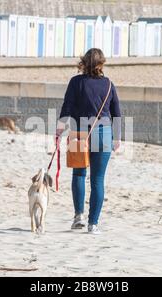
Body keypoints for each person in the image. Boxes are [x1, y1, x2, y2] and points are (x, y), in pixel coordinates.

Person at [56, 48, 122, 235]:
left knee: (79, 174)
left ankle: (79, 216)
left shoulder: (76, 82)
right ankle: (93, 224)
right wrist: (117, 137)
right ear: (102, 64)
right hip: (104, 133)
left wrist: (60, 127)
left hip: (79, 131)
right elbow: (116, 112)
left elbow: (67, 106)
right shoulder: (109, 84)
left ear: (83, 62)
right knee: (98, 179)